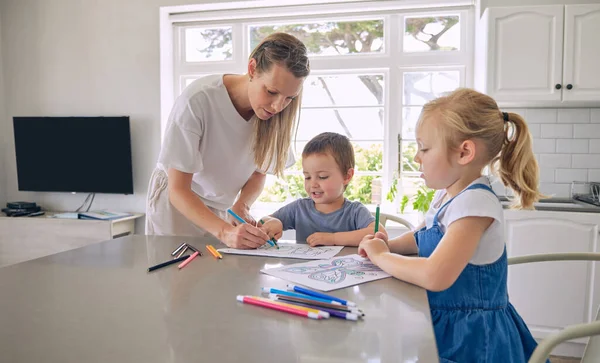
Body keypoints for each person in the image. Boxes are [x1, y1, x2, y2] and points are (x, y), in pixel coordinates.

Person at [358, 88, 548, 363]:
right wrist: (390, 245)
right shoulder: (449, 194)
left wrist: (381, 256)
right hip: (446, 322)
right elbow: (424, 235)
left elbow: (436, 276)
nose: (416, 157)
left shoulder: (475, 205)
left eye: (424, 148)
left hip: (473, 339)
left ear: (464, 152)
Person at [146, 33, 310, 249]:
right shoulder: (198, 100)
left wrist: (242, 204)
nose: (277, 106)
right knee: (175, 278)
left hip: (219, 207)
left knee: (218, 280)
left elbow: (258, 172)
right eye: (271, 92)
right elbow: (178, 189)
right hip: (177, 205)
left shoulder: (277, 117)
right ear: (252, 69)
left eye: (289, 98)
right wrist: (224, 232)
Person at [260, 132, 386, 246]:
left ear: (347, 176)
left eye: (322, 177)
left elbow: (379, 232)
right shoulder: (299, 209)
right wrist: (272, 222)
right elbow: (262, 221)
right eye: (307, 177)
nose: (313, 184)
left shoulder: (354, 212)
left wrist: (333, 239)